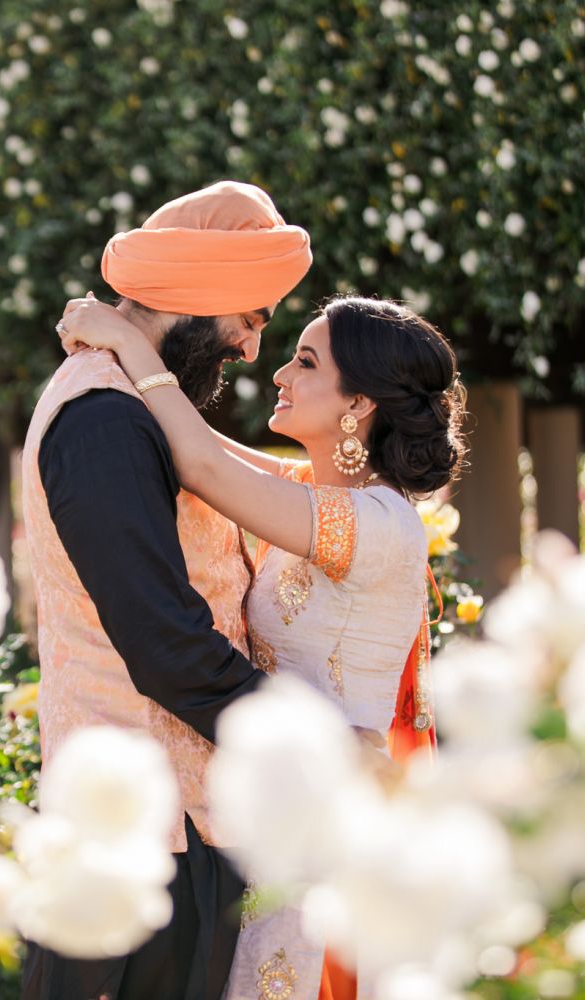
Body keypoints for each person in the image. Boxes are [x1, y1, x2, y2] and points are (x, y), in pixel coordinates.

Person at [56, 292, 467, 1000]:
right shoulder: (316, 494)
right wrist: (122, 350)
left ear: (358, 404)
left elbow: (203, 470)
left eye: (305, 362)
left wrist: (127, 342)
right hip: (273, 826)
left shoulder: (380, 526)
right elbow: (203, 449)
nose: (278, 373)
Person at [20, 181, 312, 1000]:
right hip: (142, 844)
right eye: (251, 319)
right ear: (199, 297)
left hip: (163, 830)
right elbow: (165, 645)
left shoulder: (131, 402)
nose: (253, 350)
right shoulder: (104, 420)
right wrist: (310, 745)